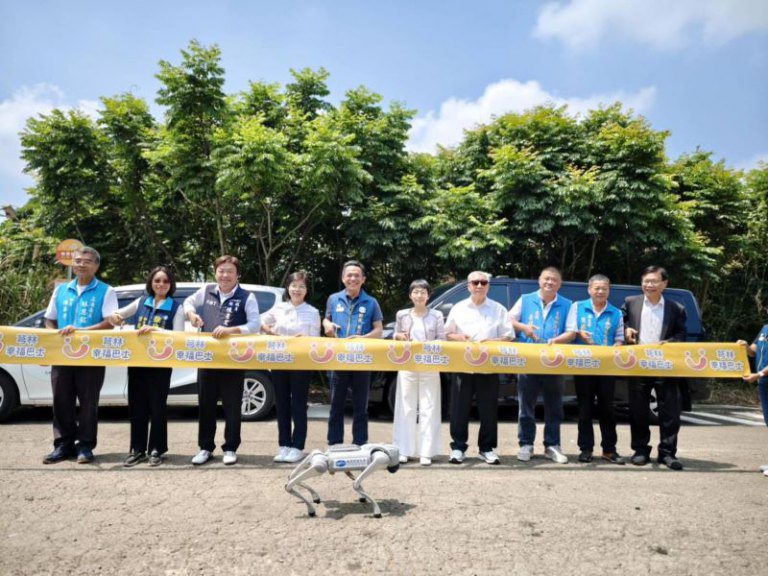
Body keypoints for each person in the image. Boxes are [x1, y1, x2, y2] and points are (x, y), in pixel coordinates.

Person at [42, 246, 118, 464]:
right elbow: (50, 319)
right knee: (61, 400)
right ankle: (62, 445)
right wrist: (53, 338)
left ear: (96, 266)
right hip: (62, 356)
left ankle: (85, 446)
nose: (81, 264)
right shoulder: (61, 290)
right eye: (77, 261)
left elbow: (109, 323)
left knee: (88, 403)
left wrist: (80, 332)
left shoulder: (106, 291)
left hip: (91, 357)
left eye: (87, 261)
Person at [183, 255, 261, 466]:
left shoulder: (247, 297)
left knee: (232, 406)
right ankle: (205, 447)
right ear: (215, 272)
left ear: (237, 275)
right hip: (207, 359)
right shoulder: (206, 290)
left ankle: (230, 448)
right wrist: (191, 314)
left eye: (230, 272)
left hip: (233, 361)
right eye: (221, 271)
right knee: (205, 405)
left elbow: (255, 325)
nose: (225, 275)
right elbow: (188, 302)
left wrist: (231, 330)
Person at [109, 266, 184, 467]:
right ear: (151, 283)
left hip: (161, 365)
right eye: (157, 280)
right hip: (138, 362)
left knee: (157, 407)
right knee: (137, 407)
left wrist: (156, 330)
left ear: (171, 284)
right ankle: (137, 450)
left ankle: (157, 449)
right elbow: (116, 315)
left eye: (165, 281)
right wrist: (116, 317)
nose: (161, 284)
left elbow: (179, 336)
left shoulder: (176, 307)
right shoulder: (142, 301)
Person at [622, 265, 687, 470]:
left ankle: (667, 453)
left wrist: (670, 343)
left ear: (664, 284)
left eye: (654, 281)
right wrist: (626, 330)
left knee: (670, 412)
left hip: (665, 366)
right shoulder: (630, 302)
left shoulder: (676, 308)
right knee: (638, 411)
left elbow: (681, 334)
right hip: (638, 365)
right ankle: (640, 451)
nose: (649, 285)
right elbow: (619, 324)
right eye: (646, 281)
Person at [445, 271, 513, 465]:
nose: (480, 286)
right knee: (459, 409)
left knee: (489, 409)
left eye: (483, 282)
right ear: (468, 286)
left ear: (488, 286)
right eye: (475, 282)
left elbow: (508, 336)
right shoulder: (458, 308)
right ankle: (458, 447)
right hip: (463, 366)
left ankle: (487, 448)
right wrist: (459, 337)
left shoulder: (498, 309)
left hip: (488, 367)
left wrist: (492, 341)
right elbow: (447, 334)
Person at [510, 266, 572, 464]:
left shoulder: (567, 304)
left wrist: (558, 340)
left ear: (560, 284)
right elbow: (508, 319)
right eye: (546, 279)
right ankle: (526, 444)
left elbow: (571, 331)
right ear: (539, 280)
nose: (550, 282)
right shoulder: (525, 299)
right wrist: (523, 327)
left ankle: (552, 445)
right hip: (528, 360)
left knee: (554, 407)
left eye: (554, 280)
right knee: (526, 406)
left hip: (555, 362)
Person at [561, 274, 625, 464]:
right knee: (584, 409)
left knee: (608, 409)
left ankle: (609, 450)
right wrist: (579, 333)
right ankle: (585, 449)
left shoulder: (616, 313)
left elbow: (619, 338)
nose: (600, 291)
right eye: (596, 288)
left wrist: (617, 346)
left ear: (609, 290)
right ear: (589, 289)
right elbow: (570, 330)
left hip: (607, 368)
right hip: (583, 366)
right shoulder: (577, 307)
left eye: (604, 288)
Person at [261, 271, 321, 464]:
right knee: (282, 404)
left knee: (299, 405)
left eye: (302, 286)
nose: (297, 289)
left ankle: (297, 447)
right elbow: (261, 322)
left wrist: (303, 340)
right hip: (279, 361)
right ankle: (284, 445)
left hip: (301, 364)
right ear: (288, 287)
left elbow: (316, 340)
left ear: (307, 290)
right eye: (294, 285)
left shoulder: (312, 312)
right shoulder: (279, 308)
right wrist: (273, 333)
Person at [323, 260, 383, 447]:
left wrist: (362, 338)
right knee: (336, 404)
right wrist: (327, 325)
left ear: (363, 279)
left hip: (361, 360)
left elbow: (379, 330)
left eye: (357, 275)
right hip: (338, 359)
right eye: (349, 275)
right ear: (343, 278)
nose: (353, 278)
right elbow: (326, 319)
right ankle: (335, 443)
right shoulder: (333, 299)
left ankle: (360, 442)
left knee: (360, 405)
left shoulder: (371, 302)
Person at [392, 279, 446, 466]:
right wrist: (399, 336)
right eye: (415, 292)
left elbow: (442, 339)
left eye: (423, 292)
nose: (419, 295)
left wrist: (428, 346)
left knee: (429, 408)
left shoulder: (437, 315)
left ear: (428, 296)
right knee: (405, 407)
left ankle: (426, 452)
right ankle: (403, 450)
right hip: (407, 366)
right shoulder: (402, 314)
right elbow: (396, 335)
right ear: (410, 295)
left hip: (429, 366)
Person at [737, 321, 768, 476]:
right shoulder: (765, 329)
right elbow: (753, 352)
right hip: (764, 381)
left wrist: (759, 374)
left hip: (762, 376)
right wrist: (745, 346)